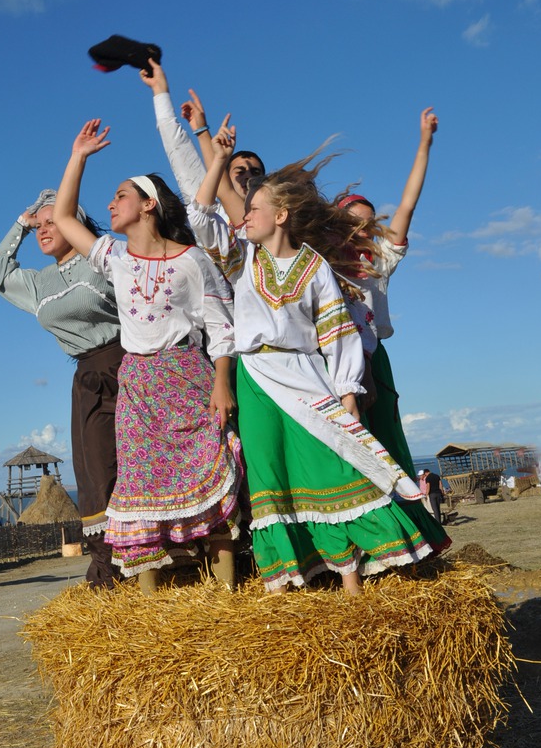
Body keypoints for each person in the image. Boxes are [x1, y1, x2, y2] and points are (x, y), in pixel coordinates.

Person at [187, 120, 447, 593]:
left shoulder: (316, 267)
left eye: (255, 209)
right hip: (256, 374)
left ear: (282, 215)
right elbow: (201, 217)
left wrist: (348, 388)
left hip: (307, 371)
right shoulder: (240, 257)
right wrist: (218, 158)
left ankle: (351, 579)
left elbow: (337, 333)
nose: (245, 217)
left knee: (336, 462)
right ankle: (283, 584)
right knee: (269, 473)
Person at [51, 118, 244, 593]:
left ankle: (225, 594)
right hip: (137, 384)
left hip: (189, 377)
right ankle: (151, 609)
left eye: (121, 195)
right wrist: (78, 156)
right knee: (137, 489)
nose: (111, 204)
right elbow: (63, 218)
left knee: (211, 471)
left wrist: (222, 383)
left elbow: (221, 327)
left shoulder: (192, 260)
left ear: (148, 205)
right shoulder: (115, 258)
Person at [0, 190, 123, 589]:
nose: (45, 230)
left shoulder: (101, 259)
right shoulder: (38, 283)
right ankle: (111, 566)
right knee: (97, 471)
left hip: (132, 362)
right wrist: (20, 226)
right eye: (40, 224)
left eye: (53, 222)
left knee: (144, 460)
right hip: (88, 379)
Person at [336, 107, 439, 480]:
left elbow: (408, 204)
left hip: (373, 358)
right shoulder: (317, 264)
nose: (362, 229)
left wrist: (424, 143)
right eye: (353, 222)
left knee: (384, 439)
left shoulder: (379, 261)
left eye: (369, 223)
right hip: (329, 360)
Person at [140, 61, 264, 224]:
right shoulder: (211, 216)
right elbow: (179, 153)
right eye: (240, 172)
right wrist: (160, 92)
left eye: (255, 172)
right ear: (225, 176)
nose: (248, 176)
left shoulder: (280, 221)